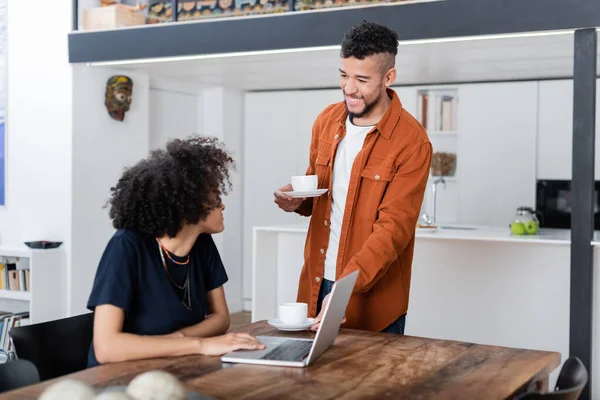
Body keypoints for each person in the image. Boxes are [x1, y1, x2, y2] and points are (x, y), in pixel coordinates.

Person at [274, 21, 432, 335]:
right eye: (344, 75)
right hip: (316, 283)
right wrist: (297, 202)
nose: (349, 88)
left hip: (372, 298)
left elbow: (394, 229)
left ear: (389, 77)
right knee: (311, 381)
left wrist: (347, 287)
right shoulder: (327, 121)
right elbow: (319, 194)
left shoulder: (412, 142)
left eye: (361, 79)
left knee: (369, 384)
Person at [87, 136, 264, 367]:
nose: (223, 205)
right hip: (119, 378)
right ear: (190, 202)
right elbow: (106, 348)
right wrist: (200, 345)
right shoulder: (126, 246)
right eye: (216, 196)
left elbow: (221, 318)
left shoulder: (203, 244)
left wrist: (175, 341)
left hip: (174, 364)